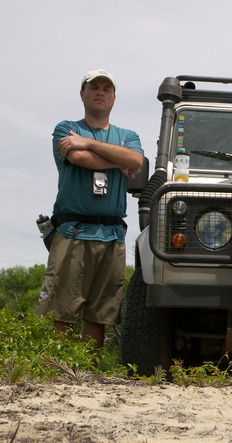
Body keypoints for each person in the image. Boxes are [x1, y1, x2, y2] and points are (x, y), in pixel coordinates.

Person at [36, 69, 144, 351]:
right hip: (72, 232)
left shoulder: (127, 134)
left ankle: (87, 378)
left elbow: (136, 159)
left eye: (106, 88)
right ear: (82, 94)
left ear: (114, 98)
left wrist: (88, 142)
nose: (100, 91)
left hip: (111, 234)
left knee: (100, 313)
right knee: (61, 310)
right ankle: (51, 376)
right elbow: (79, 157)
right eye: (93, 87)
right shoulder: (65, 128)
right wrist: (116, 158)